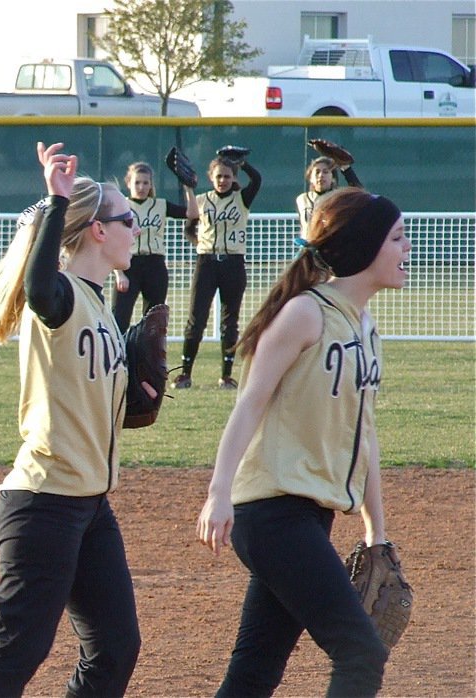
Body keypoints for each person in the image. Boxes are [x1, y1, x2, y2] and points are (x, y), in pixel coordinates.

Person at [196, 188, 408, 696]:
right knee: (360, 651)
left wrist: (375, 530)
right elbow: (249, 402)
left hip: (310, 516)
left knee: (254, 670)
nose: (407, 251)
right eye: (397, 239)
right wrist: (218, 491)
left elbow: (365, 434)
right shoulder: (305, 314)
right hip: (270, 513)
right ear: (365, 247)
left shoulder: (364, 326)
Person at [0, 142, 145, 698]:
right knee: (18, 651)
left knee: (115, 647)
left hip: (89, 504)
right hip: (44, 504)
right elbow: (39, 287)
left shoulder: (99, 307)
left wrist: (137, 396)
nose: (136, 227)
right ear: (98, 231)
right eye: (127, 219)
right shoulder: (62, 297)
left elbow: (90, 400)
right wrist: (55, 200)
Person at [171, 152, 262, 390]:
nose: (223, 180)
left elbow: (257, 180)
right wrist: (200, 242)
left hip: (233, 261)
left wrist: (242, 163)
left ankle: (226, 375)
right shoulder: (202, 200)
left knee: (229, 321)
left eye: (227, 176)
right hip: (207, 262)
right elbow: (190, 224)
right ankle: (185, 374)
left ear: (233, 178)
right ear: (210, 177)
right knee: (196, 319)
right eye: (219, 176)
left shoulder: (242, 198)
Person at [111, 160, 196, 332]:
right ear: (128, 183)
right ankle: (118, 356)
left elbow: (192, 213)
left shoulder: (160, 205)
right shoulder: (121, 206)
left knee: (153, 321)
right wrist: (119, 274)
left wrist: (188, 188)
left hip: (155, 265)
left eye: (145, 182)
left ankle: (148, 358)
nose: (141, 187)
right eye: (137, 182)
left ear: (151, 184)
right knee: (119, 318)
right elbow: (112, 241)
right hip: (128, 264)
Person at [296, 154, 361, 239]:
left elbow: (360, 193)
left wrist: (346, 168)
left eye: (326, 172)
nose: (321, 175)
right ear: (310, 178)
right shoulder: (303, 199)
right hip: (310, 247)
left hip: (332, 247)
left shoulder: (339, 197)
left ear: (333, 178)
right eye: (317, 172)